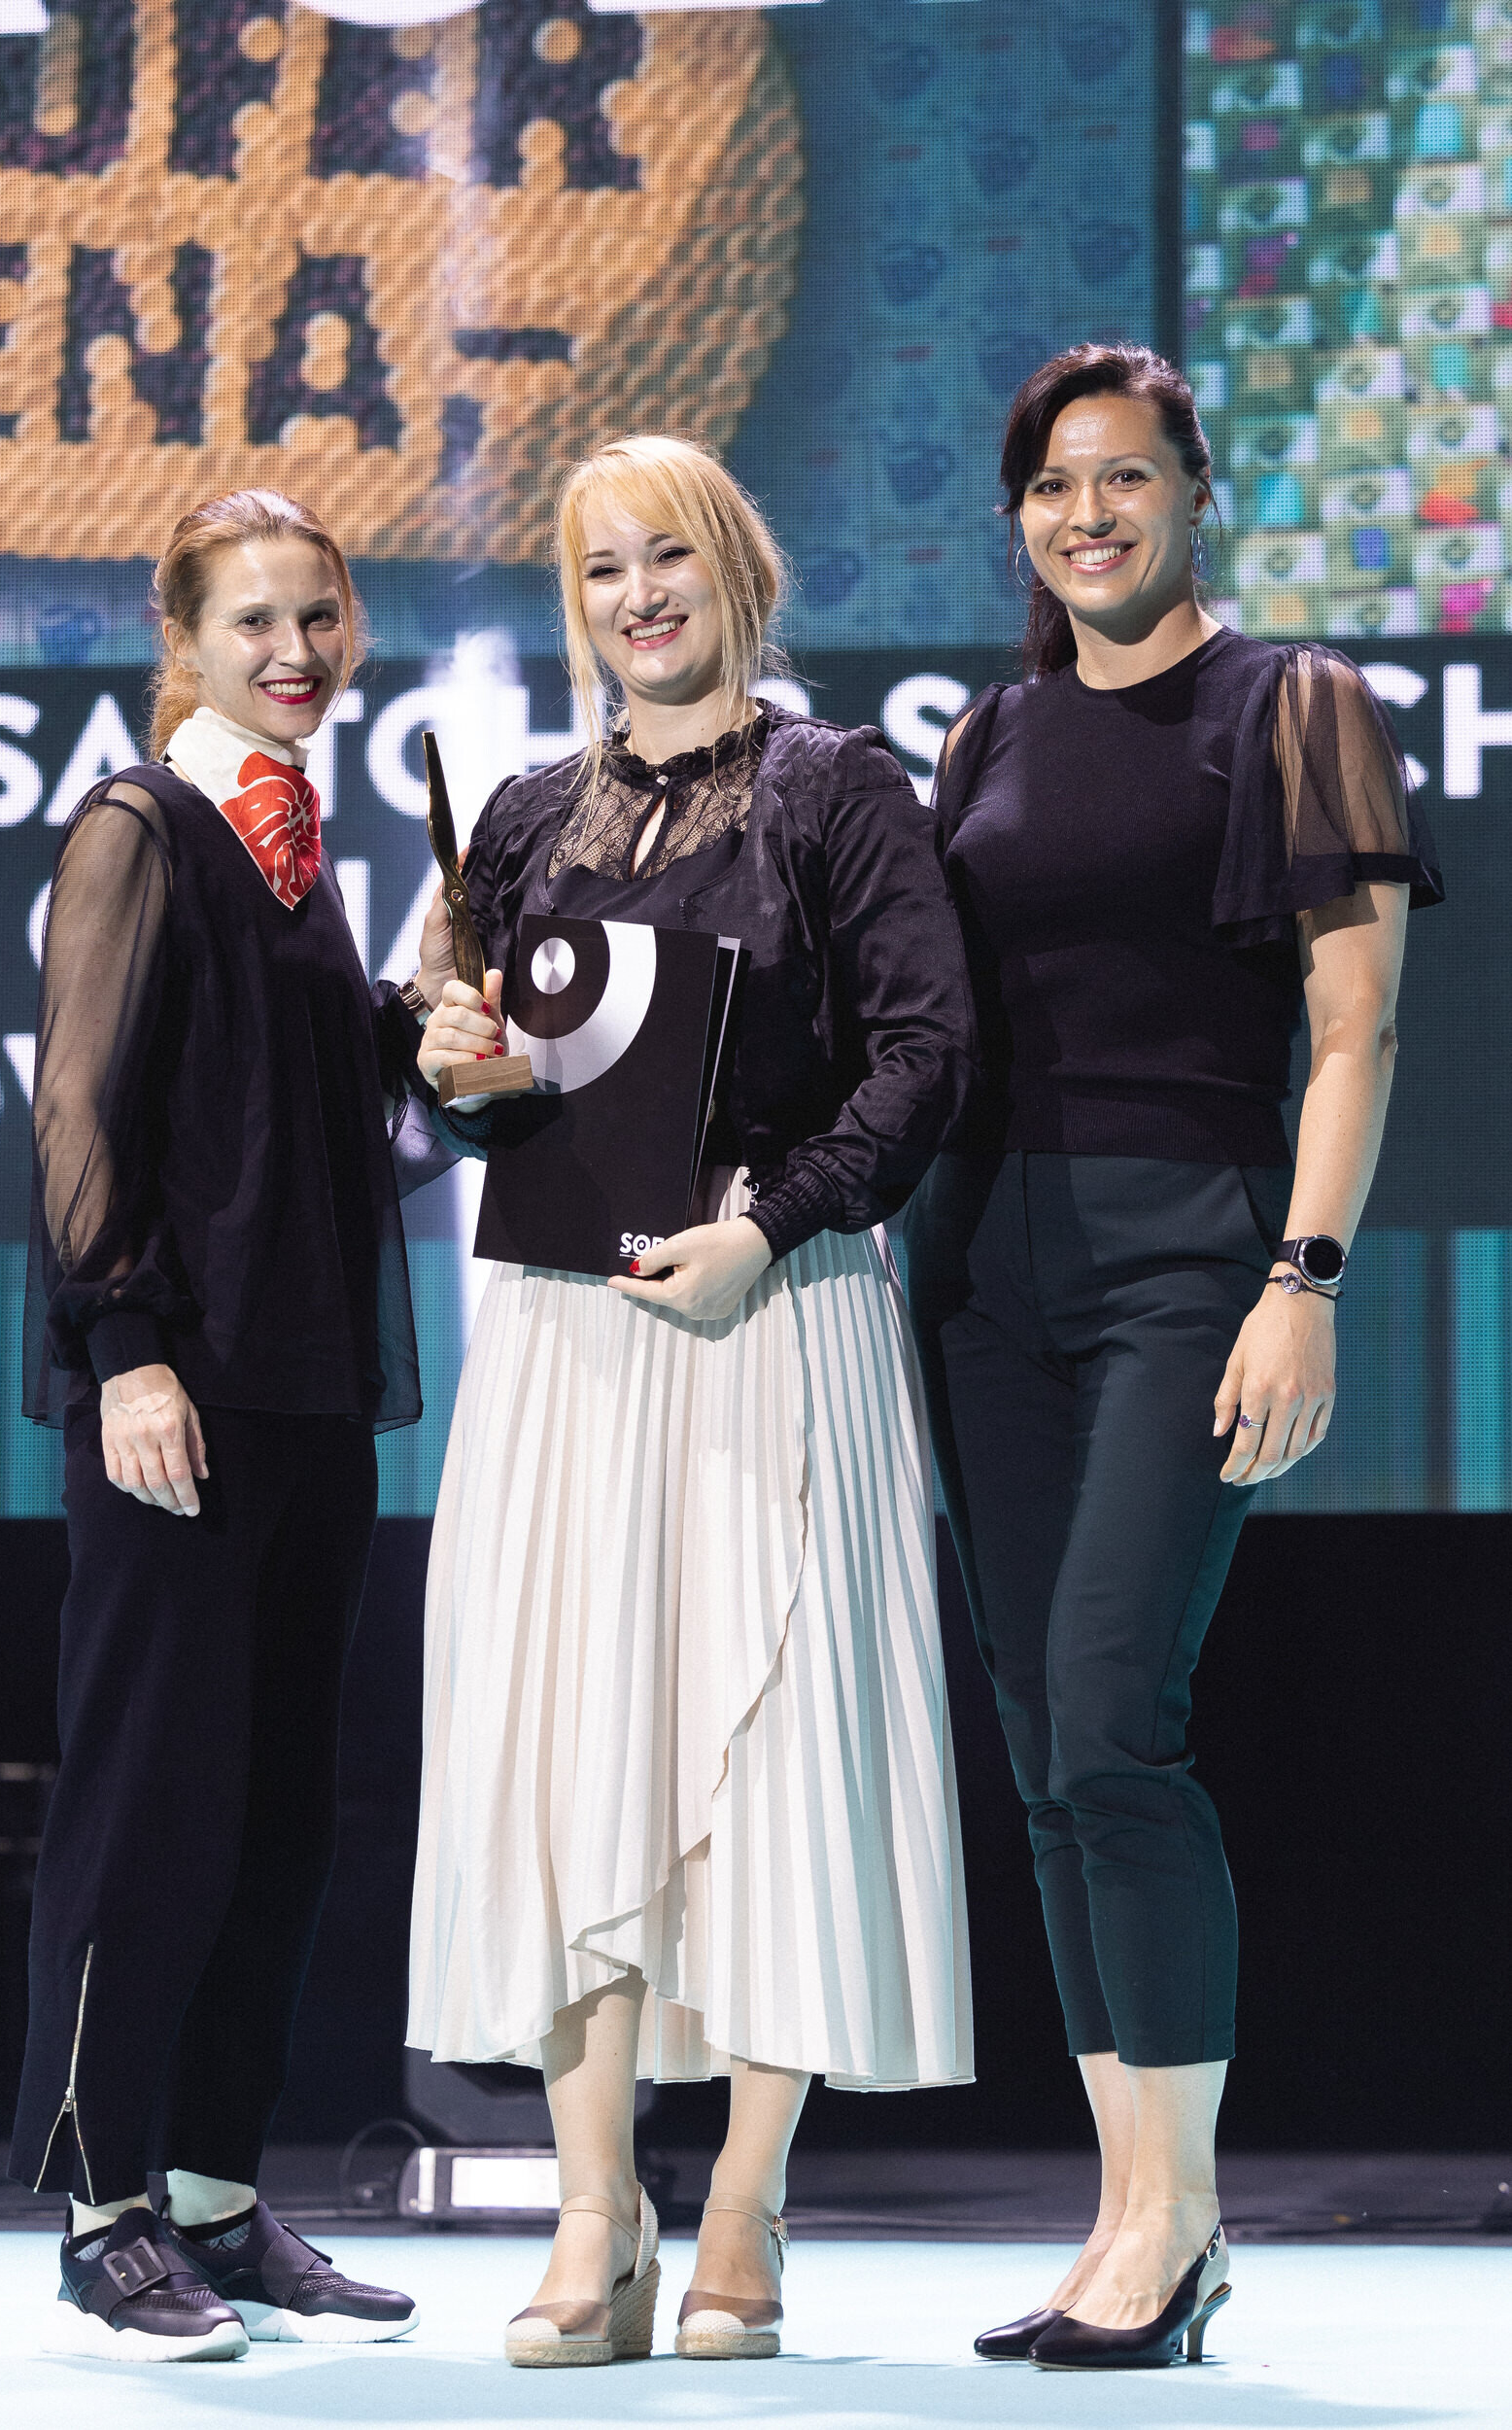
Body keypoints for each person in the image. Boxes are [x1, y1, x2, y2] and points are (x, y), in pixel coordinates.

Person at [403, 434, 976, 2367]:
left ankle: (744, 2205)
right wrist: (459, 1069)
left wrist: (772, 1224)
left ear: (740, 571)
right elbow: (481, 1093)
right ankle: (595, 2212)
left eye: (668, 558)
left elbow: (923, 1056)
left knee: (768, 1753)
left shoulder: (838, 789)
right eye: (600, 570)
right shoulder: (523, 816)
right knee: (569, 1745)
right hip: (566, 1339)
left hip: (774, 1313)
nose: (637, 597)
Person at [903, 345, 1441, 2372]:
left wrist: (1304, 1277)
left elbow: (1355, 1026)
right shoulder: (986, 730)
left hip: (1183, 1256)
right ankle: (1127, 2212)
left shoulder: (1296, 704)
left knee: (1119, 1713)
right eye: (1054, 485)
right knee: (1045, 1743)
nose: (1089, 515)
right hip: (978, 1270)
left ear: (1197, 491)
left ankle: (1188, 2213)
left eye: (1126, 476)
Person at [12, 488, 449, 2360]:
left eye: (319, 617)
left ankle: (210, 2195)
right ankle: (102, 2210)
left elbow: (299, 1097)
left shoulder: (292, 842)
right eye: (253, 621)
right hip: (174, 1396)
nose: (294, 652)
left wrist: (418, 1029)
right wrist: (124, 1347)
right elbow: (79, 1107)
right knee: (149, 1805)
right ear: (181, 637)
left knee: (276, 1813)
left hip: (306, 1391)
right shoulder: (143, 822)